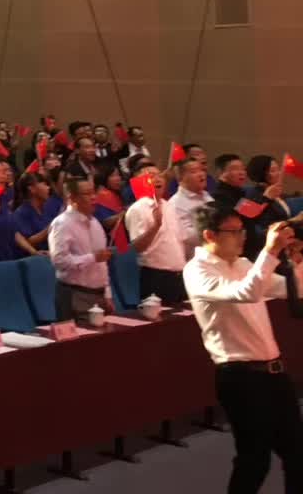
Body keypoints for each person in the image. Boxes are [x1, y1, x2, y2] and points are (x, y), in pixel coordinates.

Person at [183, 208, 303, 494]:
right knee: (254, 460)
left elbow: (292, 290)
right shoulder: (197, 270)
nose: (242, 237)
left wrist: (296, 262)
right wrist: (270, 251)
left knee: (298, 454)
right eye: (233, 231)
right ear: (210, 235)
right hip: (240, 377)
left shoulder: (244, 264)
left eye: (242, 230)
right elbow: (245, 293)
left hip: (274, 373)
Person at [48, 177, 113, 319]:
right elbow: (59, 261)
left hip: (99, 295)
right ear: (72, 198)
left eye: (93, 192)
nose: (93, 197)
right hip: (75, 294)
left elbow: (102, 263)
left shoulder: (95, 223)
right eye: (87, 194)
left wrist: (107, 293)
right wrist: (92, 258)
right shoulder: (62, 224)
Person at [123, 162, 187, 303]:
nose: (158, 179)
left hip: (178, 276)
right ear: (140, 183)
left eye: (159, 175)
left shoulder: (169, 206)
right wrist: (156, 226)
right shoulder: (138, 209)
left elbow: (180, 241)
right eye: (151, 176)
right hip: (155, 276)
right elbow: (137, 247)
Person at [170, 157, 214, 260]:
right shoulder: (175, 203)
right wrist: (215, 232)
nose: (201, 174)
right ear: (180, 178)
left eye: (202, 170)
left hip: (214, 253)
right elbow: (186, 235)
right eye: (194, 171)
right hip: (193, 259)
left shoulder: (207, 196)